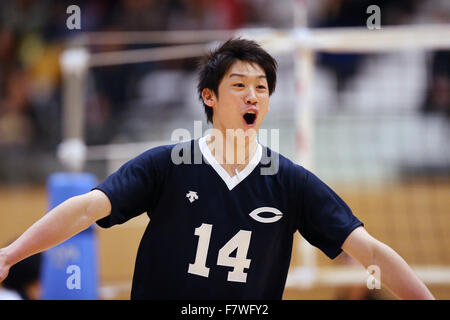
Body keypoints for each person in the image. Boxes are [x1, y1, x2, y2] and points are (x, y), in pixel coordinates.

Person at [0, 38, 434, 300]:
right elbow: (83, 210)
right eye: (239, 85)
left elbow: (371, 254)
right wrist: (10, 255)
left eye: (261, 88)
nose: (252, 96)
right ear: (208, 96)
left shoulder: (291, 183)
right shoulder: (166, 165)